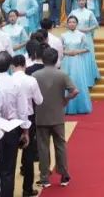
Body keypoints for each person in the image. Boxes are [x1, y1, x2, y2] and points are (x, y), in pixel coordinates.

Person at [32, 47, 74, 188]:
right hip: (57, 115)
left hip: (41, 115)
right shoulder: (62, 74)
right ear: (56, 59)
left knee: (43, 147)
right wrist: (66, 100)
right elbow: (75, 90)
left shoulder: (35, 75)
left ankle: (44, 177)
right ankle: (64, 175)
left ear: (42, 59)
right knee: (60, 145)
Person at [61, 16, 93, 115]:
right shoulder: (63, 35)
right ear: (67, 24)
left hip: (78, 60)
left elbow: (88, 48)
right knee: (67, 81)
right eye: (69, 22)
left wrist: (78, 51)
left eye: (73, 22)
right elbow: (60, 50)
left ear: (77, 23)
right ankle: (65, 107)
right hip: (66, 61)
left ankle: (81, 106)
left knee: (78, 81)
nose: (71, 24)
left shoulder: (82, 35)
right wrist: (67, 53)